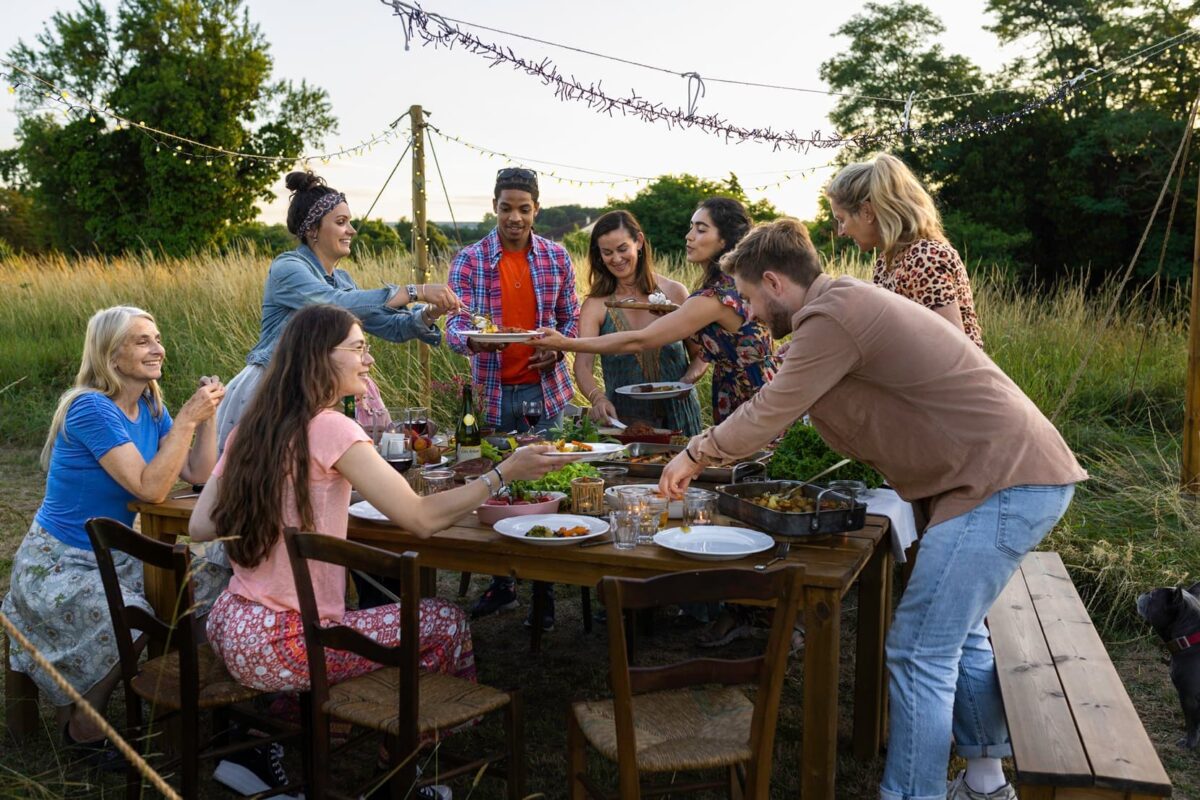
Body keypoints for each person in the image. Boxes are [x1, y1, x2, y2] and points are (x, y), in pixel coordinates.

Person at [659, 218, 1086, 800]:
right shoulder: (842, 306)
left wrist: (694, 453)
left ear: (775, 282)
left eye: (753, 300)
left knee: (918, 651)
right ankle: (986, 785)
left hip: (1003, 482)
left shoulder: (832, 318)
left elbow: (768, 411)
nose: (751, 314)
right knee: (959, 638)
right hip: (1003, 477)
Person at [190, 305, 558, 800]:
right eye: (359, 349)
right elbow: (421, 519)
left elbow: (199, 524)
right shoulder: (332, 428)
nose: (369, 361)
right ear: (321, 358)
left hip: (233, 625)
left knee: (383, 624)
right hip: (287, 644)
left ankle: (256, 744)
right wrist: (503, 473)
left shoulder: (253, 429)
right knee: (444, 621)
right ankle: (399, 776)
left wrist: (277, 511)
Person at [1, 306, 228, 762]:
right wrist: (185, 420)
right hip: (59, 562)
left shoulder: (148, 405)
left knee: (212, 576)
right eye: (142, 340)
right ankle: (85, 723)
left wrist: (206, 418)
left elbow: (198, 472)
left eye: (158, 338)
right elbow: (150, 487)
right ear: (110, 354)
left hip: (116, 555)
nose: (157, 348)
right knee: (132, 612)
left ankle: (198, 700)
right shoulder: (88, 407)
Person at [216, 170, 461, 455]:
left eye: (350, 222)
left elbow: (390, 327)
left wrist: (429, 313)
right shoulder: (288, 268)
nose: (351, 230)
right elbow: (334, 303)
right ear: (312, 230)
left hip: (320, 394)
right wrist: (414, 290)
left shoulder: (343, 281)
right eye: (341, 222)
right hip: (275, 387)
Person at [444, 167, 580, 628]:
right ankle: (503, 585)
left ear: (536, 209)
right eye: (507, 208)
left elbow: (572, 318)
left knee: (547, 487)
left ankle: (543, 590)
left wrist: (557, 348)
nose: (515, 217)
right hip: (493, 390)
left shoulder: (557, 258)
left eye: (524, 209)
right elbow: (452, 326)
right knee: (495, 488)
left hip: (546, 390)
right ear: (494, 207)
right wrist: (474, 341)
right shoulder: (469, 260)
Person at [533, 196, 776, 424]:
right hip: (741, 403)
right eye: (691, 227)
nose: (688, 236)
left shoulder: (715, 295)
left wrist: (563, 343)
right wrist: (597, 397)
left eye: (700, 229)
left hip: (753, 406)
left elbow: (641, 340)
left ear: (725, 240)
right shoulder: (722, 288)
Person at [826, 152, 984, 348]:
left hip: (954, 378)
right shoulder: (886, 262)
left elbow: (954, 350)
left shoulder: (927, 257)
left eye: (842, 220)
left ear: (867, 212)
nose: (841, 232)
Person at [574, 210, 703, 435]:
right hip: (625, 422)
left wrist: (684, 382)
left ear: (639, 242)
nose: (616, 259)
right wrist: (597, 398)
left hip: (682, 418)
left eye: (623, 249)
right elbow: (582, 365)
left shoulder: (675, 292)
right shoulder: (596, 305)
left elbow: (701, 354)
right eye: (607, 252)